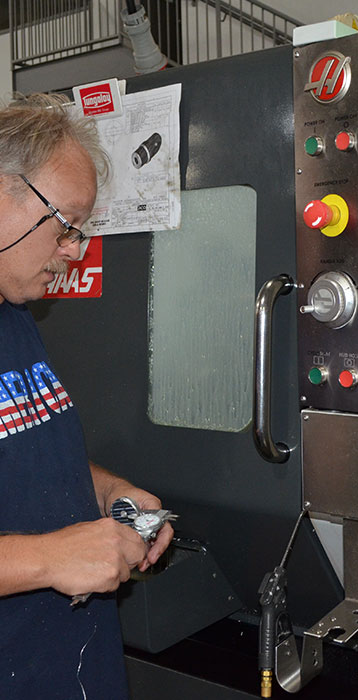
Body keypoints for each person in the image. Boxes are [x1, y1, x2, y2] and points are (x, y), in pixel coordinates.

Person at [0, 93, 174, 698]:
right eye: (66, 225)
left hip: (72, 668)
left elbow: (24, 447)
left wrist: (105, 490)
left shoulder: (14, 313)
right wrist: (48, 558)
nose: (75, 251)